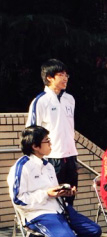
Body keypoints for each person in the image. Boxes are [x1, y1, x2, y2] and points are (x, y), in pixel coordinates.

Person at [7, 126, 101, 237]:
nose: (51, 144)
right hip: (37, 213)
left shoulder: (49, 165)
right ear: (35, 146)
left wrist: (63, 192)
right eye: (47, 141)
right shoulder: (22, 167)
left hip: (58, 209)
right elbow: (18, 199)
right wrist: (46, 194)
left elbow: (52, 192)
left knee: (93, 230)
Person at [27, 59, 78, 201]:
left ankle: (69, 222)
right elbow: (31, 131)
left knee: (70, 198)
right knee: (55, 200)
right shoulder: (40, 101)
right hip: (52, 158)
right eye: (61, 74)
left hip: (71, 156)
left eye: (66, 74)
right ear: (49, 77)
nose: (65, 78)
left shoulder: (70, 99)